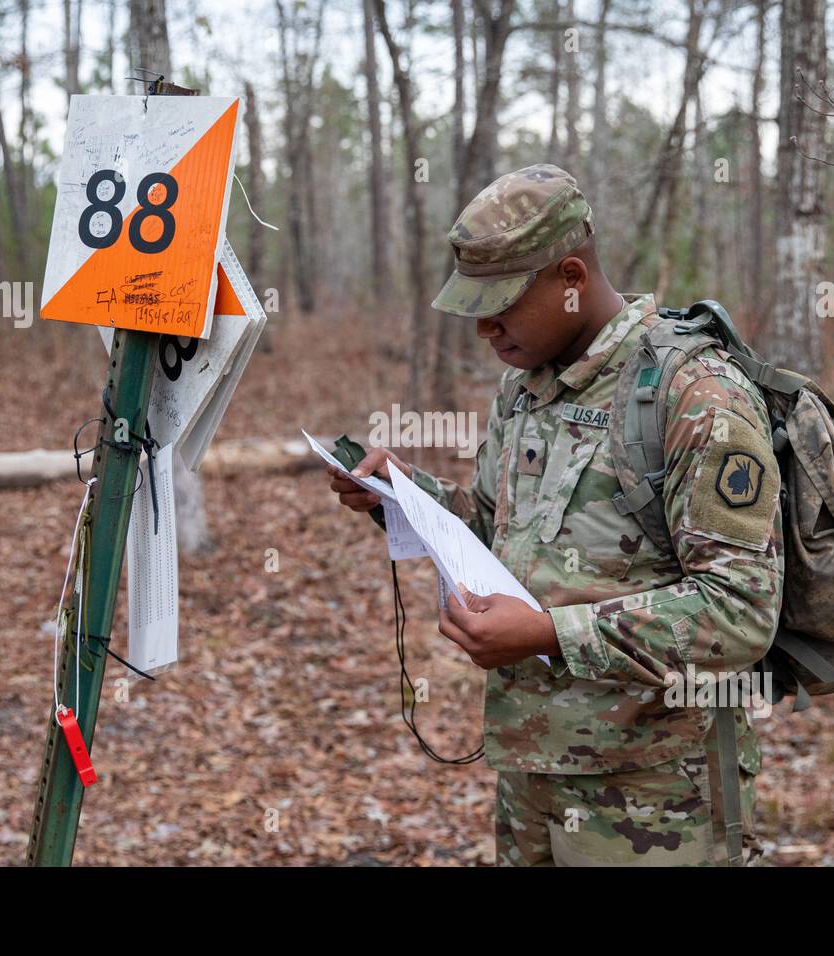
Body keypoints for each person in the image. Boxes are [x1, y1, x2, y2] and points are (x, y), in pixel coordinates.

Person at [326, 164, 783, 866]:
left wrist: (549, 633)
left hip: (656, 796)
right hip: (533, 771)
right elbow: (495, 528)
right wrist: (403, 494)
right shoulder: (524, 387)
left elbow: (742, 607)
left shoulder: (696, 394)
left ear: (571, 277)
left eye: (502, 303)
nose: (483, 326)